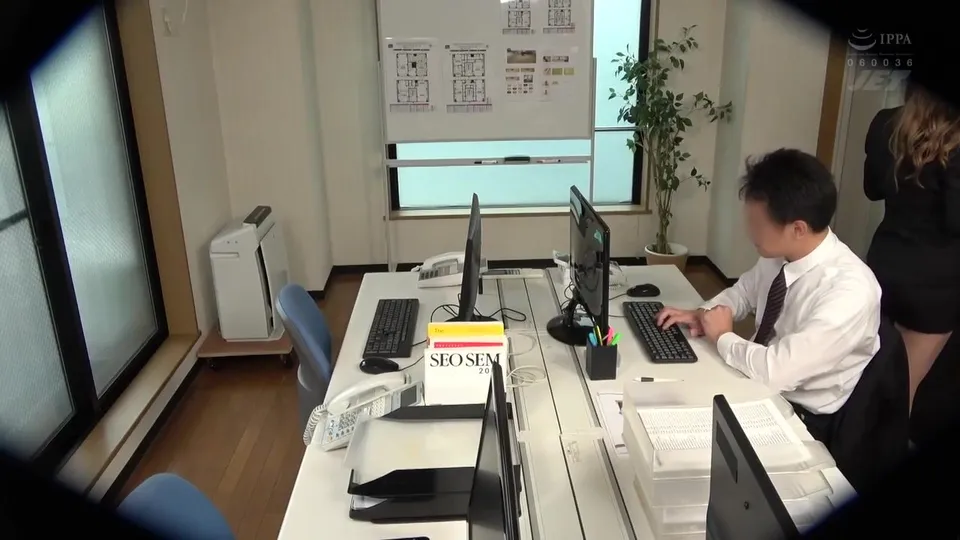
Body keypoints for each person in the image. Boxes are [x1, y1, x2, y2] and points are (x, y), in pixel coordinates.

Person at [656, 148, 882, 418]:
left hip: (798, 411)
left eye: (757, 223)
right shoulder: (781, 255)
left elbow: (777, 373)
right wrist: (706, 313)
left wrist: (722, 337)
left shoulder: (850, 292)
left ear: (797, 229)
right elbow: (742, 294)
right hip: (754, 378)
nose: (748, 231)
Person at [862, 80, 960, 413]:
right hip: (935, 284)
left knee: (865, 374)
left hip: (884, 265)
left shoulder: (885, 123)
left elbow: (873, 189)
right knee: (903, 392)